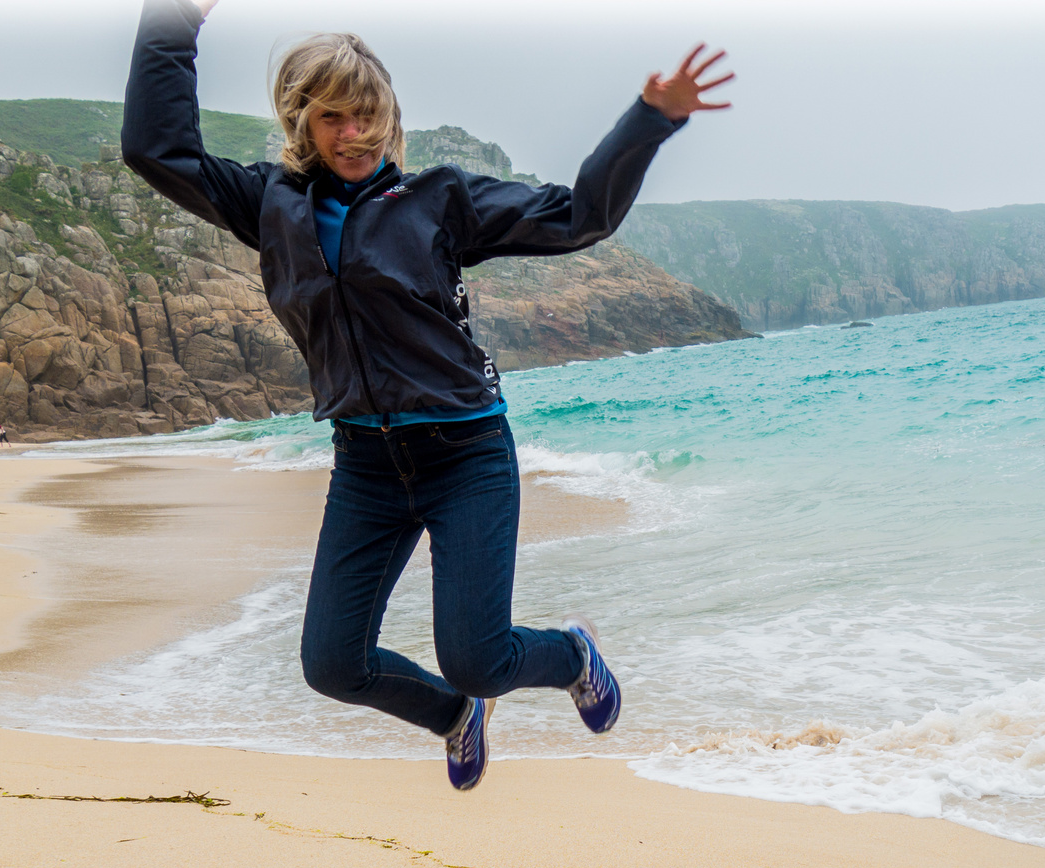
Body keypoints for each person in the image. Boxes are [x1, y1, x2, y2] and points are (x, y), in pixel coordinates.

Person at [122, 0, 731, 791]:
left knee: (479, 657)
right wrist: (171, 23)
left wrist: (649, 120)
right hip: (365, 467)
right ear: (302, 121)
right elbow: (154, 148)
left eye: (368, 114)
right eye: (334, 116)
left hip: (464, 453)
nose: (354, 134)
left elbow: (580, 217)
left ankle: (573, 656)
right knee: (332, 666)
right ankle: (450, 717)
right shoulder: (267, 204)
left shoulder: (438, 200)